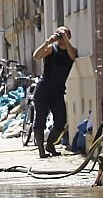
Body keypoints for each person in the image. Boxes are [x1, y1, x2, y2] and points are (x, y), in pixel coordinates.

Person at [30, 25, 78, 158]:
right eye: (58, 34)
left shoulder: (71, 50)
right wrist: (47, 42)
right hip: (44, 89)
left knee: (61, 122)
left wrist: (65, 40)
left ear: (69, 36)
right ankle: (41, 150)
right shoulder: (51, 49)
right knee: (40, 120)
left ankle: (50, 145)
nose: (60, 37)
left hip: (58, 92)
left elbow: (73, 56)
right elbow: (36, 56)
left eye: (63, 34)